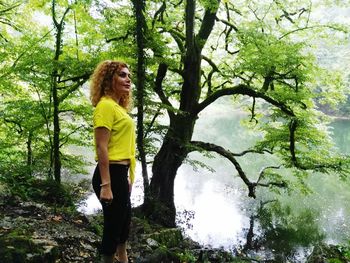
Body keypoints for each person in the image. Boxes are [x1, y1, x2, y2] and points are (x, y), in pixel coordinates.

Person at [90, 60, 136, 263]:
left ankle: (123, 257)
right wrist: (106, 185)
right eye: (122, 75)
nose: (128, 80)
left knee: (124, 222)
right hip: (109, 175)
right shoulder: (105, 106)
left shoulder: (118, 108)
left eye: (129, 76)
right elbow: (102, 146)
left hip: (120, 174)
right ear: (109, 79)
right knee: (113, 226)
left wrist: (127, 178)